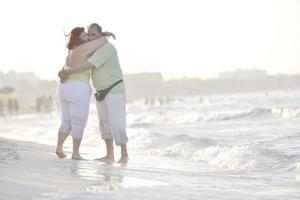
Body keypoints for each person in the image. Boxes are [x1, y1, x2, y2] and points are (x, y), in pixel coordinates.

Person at [59, 23, 129, 163]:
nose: (90, 38)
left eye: (93, 35)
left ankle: (124, 154)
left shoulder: (107, 48)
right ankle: (110, 155)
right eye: (88, 35)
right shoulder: (91, 49)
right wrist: (63, 70)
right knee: (104, 124)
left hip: (114, 89)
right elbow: (76, 58)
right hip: (101, 91)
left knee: (117, 123)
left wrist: (68, 72)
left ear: (99, 34)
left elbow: (89, 64)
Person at [56, 27, 112, 160]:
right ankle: (75, 153)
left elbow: (63, 70)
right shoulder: (84, 48)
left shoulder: (70, 50)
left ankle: (59, 147)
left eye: (87, 35)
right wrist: (103, 34)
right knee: (78, 121)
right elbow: (102, 41)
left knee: (66, 121)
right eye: (84, 35)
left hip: (63, 88)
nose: (87, 37)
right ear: (78, 37)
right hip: (78, 87)